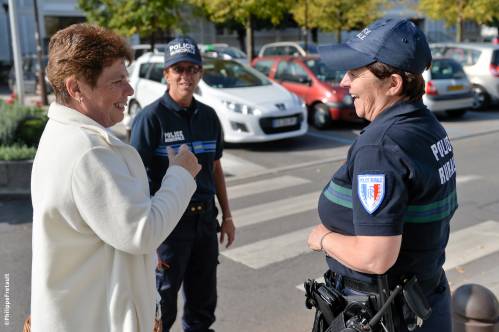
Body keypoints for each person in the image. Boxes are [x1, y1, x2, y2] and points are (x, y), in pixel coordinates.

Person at [30, 24, 201, 332]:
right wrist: (180, 174)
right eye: (117, 81)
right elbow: (141, 232)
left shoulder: (65, 134)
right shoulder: (87, 151)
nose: (130, 90)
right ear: (76, 88)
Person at [308, 17, 456, 331]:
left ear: (392, 84)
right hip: (423, 298)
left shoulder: (381, 146)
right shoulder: (427, 126)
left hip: (381, 313)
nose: (344, 82)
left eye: (354, 73)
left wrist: (323, 238)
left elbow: (376, 258)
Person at [130, 36, 235, 332]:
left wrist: (227, 217)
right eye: (179, 69)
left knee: (203, 306)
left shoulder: (209, 116)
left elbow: (215, 168)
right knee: (160, 308)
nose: (186, 76)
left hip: (204, 222)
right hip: (167, 227)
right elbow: (136, 179)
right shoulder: (151, 119)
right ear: (166, 74)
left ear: (200, 73)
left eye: (192, 69)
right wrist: (148, 243)